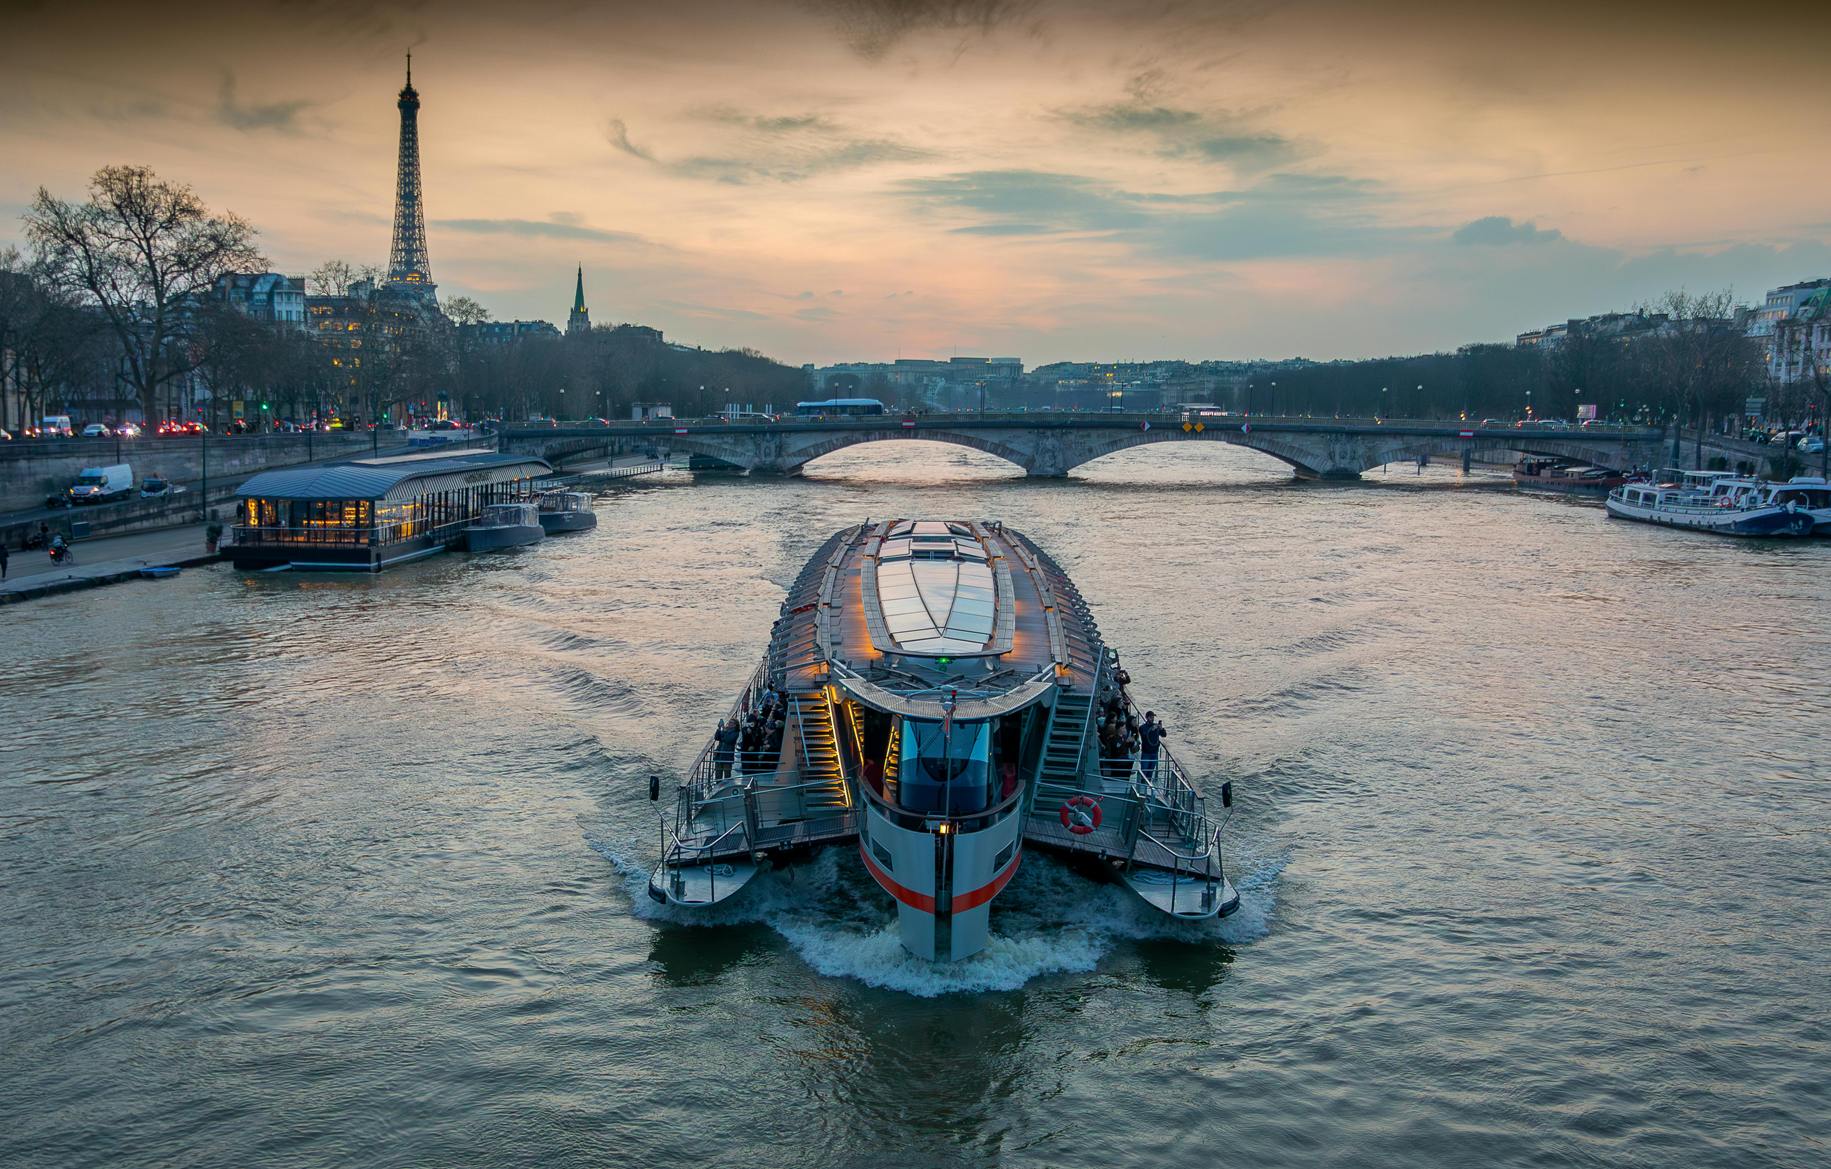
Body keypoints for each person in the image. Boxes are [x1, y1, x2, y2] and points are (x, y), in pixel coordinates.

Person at [1138, 711, 1167, 783]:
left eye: (1153, 717)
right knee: (1144, 771)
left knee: (1150, 772)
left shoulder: (1156, 726)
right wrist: (1151, 730)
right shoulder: (1142, 727)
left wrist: (1161, 729)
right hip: (1146, 753)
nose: (1152, 719)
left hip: (1154, 753)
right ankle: (1142, 786)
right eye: (1151, 717)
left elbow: (1164, 735)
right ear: (1147, 718)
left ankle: (1148, 784)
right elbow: (1144, 735)